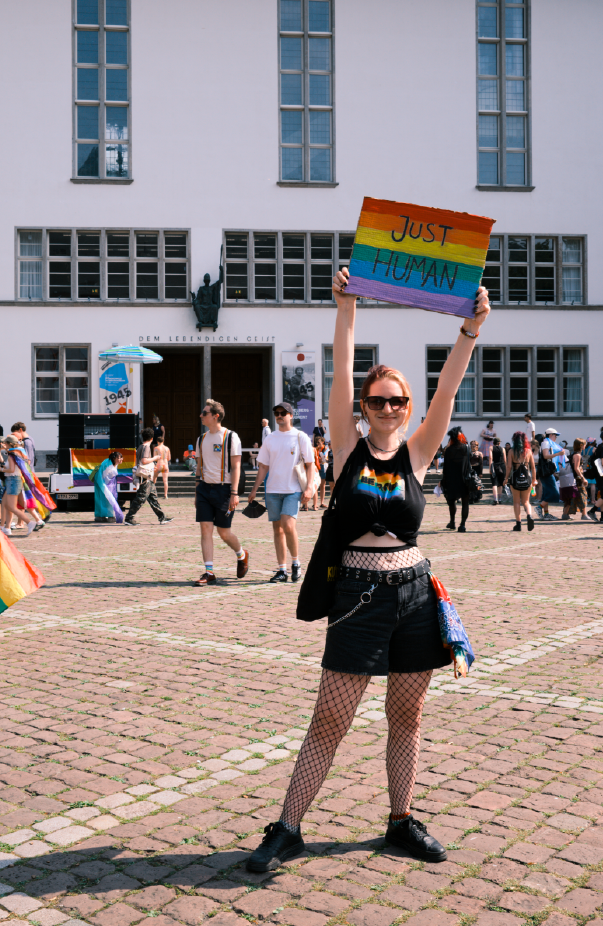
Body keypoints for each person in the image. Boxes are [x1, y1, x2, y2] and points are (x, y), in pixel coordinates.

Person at [246, 269, 490, 874]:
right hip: (357, 594)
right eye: (377, 399)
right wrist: (345, 306)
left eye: (397, 400)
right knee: (330, 717)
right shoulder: (347, 443)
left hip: (414, 594)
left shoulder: (420, 449)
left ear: (407, 407)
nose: (387, 407)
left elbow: (447, 393)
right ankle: (289, 827)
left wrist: (470, 330)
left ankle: (400, 820)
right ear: (364, 406)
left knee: (406, 715)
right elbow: (341, 366)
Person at [247, 401, 314, 583]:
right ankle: (282, 570)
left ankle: (296, 562)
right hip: (273, 490)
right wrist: (254, 489)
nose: (279, 415)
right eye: (276, 412)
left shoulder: (301, 437)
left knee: (288, 525)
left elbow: (310, 464)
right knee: (277, 529)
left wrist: (309, 487)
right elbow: (263, 467)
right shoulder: (270, 438)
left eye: (283, 412)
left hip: (293, 489)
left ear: (291, 415)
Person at [193, 398, 248, 586]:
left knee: (224, 533)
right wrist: (196, 491)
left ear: (216, 416)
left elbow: (236, 466)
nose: (201, 415)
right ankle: (209, 572)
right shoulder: (201, 438)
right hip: (204, 489)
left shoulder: (231, 437)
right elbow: (199, 467)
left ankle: (241, 554)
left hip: (224, 490)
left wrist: (234, 493)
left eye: (204, 413)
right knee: (205, 528)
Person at [125, 428, 172, 526]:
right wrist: (155, 458)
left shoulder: (140, 446)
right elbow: (144, 461)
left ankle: (162, 517)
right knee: (140, 499)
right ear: (152, 438)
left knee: (153, 498)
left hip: (146, 477)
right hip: (145, 477)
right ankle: (129, 518)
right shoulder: (146, 447)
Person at [0, 436, 38, 537]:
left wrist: (1, 469)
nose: (5, 445)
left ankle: (30, 522)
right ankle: (7, 528)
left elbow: (11, 470)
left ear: (9, 443)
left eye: (5, 443)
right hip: (15, 480)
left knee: (12, 507)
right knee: (9, 506)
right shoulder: (19, 452)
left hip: (13, 480)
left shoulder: (11, 454)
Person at [504, 431, 536, 531]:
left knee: (516, 502)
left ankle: (518, 524)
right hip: (527, 478)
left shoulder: (511, 451)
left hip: (515, 479)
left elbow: (509, 467)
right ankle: (529, 515)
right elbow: (533, 467)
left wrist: (506, 478)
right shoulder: (529, 451)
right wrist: (534, 480)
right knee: (526, 501)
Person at [441, 427, 471, 532]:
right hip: (464, 479)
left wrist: (443, 481)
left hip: (452, 479)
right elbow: (469, 462)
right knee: (465, 503)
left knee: (451, 501)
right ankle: (462, 525)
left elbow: (445, 468)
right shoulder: (466, 448)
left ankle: (452, 522)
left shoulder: (449, 450)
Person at [536, 427, 565, 520]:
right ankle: (539, 507)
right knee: (554, 493)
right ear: (551, 435)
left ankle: (546, 514)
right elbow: (545, 456)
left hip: (546, 471)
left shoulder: (548, 443)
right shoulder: (546, 443)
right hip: (545, 471)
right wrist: (558, 454)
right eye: (555, 435)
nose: (556, 437)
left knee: (546, 493)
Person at [558, 438, 589, 521]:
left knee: (570, 497)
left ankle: (565, 514)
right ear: (581, 445)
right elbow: (576, 468)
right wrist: (583, 478)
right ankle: (584, 514)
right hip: (577, 479)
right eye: (584, 444)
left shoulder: (573, 454)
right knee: (583, 495)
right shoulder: (578, 455)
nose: (585, 446)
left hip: (571, 479)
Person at [94, 451, 124, 523]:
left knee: (108, 499)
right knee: (104, 499)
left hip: (109, 483)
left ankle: (107, 515)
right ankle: (103, 516)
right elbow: (103, 477)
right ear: (114, 459)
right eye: (119, 458)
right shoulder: (108, 466)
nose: (121, 459)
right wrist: (105, 488)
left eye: (121, 457)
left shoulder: (111, 463)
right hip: (102, 483)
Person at [154, 434, 172, 499]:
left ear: (157, 441)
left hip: (159, 464)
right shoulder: (167, 448)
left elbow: (155, 458)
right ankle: (165, 495)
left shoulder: (156, 448)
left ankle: (153, 493)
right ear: (163, 441)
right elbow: (169, 458)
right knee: (165, 480)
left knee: (154, 478)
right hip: (165, 465)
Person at [490, 437, 506, 505]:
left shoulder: (491, 448)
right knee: (500, 484)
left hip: (494, 465)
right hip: (502, 466)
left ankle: (495, 499)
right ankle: (499, 499)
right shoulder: (503, 449)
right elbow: (505, 459)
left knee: (494, 483)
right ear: (499, 443)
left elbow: (490, 458)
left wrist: (490, 468)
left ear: (493, 442)